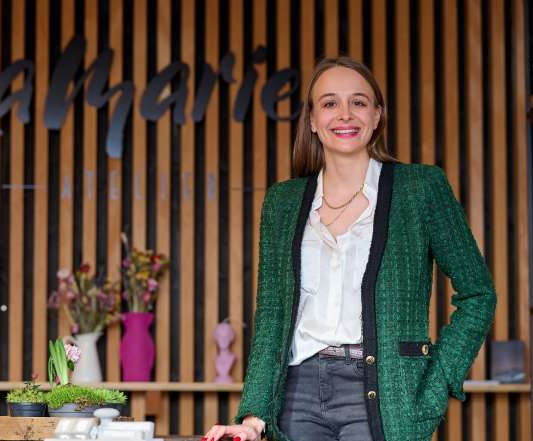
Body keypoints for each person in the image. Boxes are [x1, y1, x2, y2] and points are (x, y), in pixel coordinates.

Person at [202, 57, 496, 441]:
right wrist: (254, 416)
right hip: (296, 397)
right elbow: (271, 316)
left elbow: (478, 294)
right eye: (330, 103)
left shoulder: (420, 189)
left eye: (358, 102)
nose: (345, 114)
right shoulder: (282, 202)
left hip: (386, 396)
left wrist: (436, 386)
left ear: (377, 115)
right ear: (312, 119)